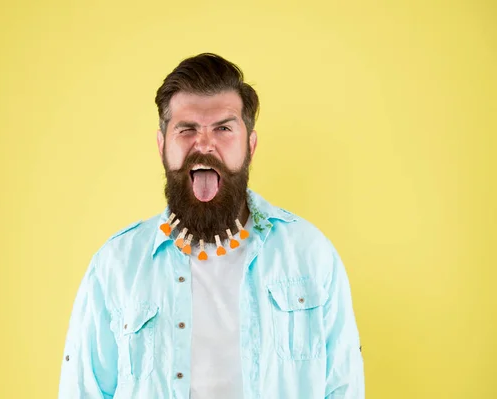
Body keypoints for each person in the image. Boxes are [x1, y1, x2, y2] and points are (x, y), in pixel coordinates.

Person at [58, 53, 365, 399]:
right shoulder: (115, 265)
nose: (204, 144)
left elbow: (344, 388)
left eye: (223, 128)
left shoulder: (311, 255)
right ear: (162, 146)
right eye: (186, 129)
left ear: (250, 145)